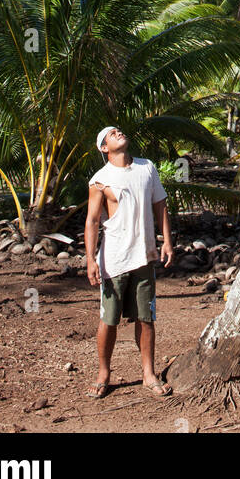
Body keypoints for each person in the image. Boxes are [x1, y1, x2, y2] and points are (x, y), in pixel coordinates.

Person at [85, 125, 174, 398]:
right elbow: (91, 220)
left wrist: (167, 240)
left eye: (119, 131)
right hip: (113, 260)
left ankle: (148, 374)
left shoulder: (147, 168)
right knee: (108, 320)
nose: (119, 133)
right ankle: (103, 374)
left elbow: (160, 204)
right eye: (112, 134)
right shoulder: (100, 179)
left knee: (146, 318)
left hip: (144, 256)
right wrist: (90, 259)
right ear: (104, 148)